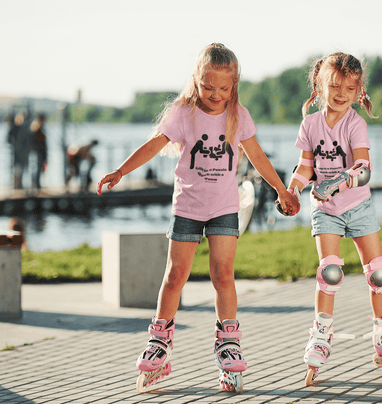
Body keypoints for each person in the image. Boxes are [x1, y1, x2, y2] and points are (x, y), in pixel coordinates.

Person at [96, 43, 299, 393]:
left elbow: (259, 158)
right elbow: (154, 144)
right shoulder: (183, 113)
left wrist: (282, 190)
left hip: (224, 206)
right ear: (196, 79)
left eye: (224, 88)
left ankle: (228, 342)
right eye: (208, 87)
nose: (216, 94)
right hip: (187, 207)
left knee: (223, 274)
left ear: (234, 84)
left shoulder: (239, 115)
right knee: (175, 275)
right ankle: (160, 341)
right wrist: (121, 171)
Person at [285, 53, 382, 385]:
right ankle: (321, 334)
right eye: (334, 86)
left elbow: (363, 170)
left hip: (358, 205)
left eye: (348, 88)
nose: (340, 93)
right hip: (326, 210)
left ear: (358, 90)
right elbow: (306, 166)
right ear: (319, 85)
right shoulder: (310, 124)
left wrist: (338, 182)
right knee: (330, 270)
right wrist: (293, 188)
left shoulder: (354, 123)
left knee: (378, 273)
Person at [30, 113, 48, 190]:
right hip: (38, 151)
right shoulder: (37, 127)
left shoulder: (38, 127)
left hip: (41, 151)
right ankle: (36, 185)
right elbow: (36, 141)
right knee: (37, 168)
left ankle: (37, 185)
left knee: (39, 168)